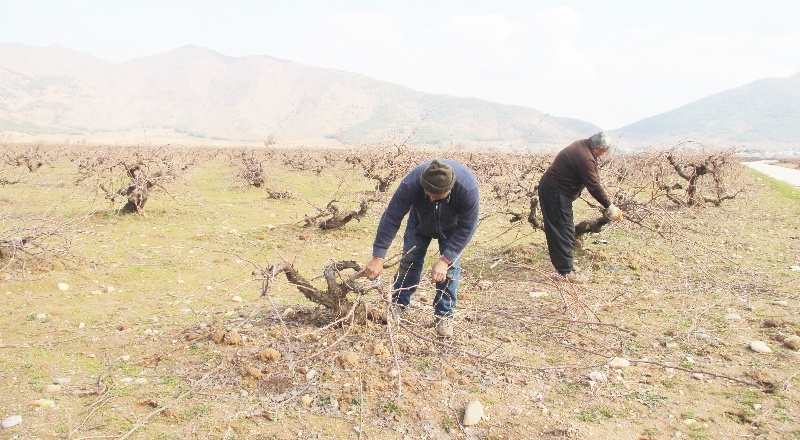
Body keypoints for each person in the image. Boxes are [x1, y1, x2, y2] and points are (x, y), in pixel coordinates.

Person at [364, 159, 480, 337]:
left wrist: (445, 260)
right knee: (410, 260)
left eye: (437, 196)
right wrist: (378, 256)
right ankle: (398, 305)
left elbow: (467, 228)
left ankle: (444, 316)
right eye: (428, 194)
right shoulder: (411, 183)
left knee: (450, 269)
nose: (432, 198)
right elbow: (392, 217)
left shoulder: (467, 189)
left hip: (452, 227)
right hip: (419, 222)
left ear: (449, 189)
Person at [538, 132, 623, 283]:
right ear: (597, 148)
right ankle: (566, 272)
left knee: (563, 228)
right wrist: (609, 206)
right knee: (563, 229)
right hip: (555, 192)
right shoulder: (585, 157)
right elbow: (594, 186)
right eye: (602, 152)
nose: (601, 156)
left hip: (554, 190)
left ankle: (564, 266)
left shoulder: (583, 146)